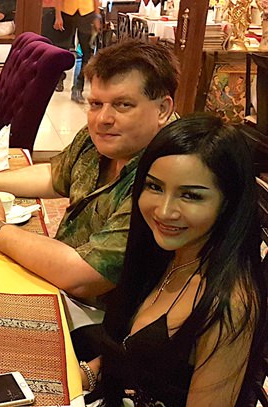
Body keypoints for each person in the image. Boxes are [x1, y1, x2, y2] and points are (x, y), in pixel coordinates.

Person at [0, 40, 178, 359]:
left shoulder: (164, 176)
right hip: (67, 289)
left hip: (109, 330)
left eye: (123, 105)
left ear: (163, 110)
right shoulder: (105, 139)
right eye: (96, 103)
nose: (103, 118)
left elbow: (83, 277)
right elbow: (56, 175)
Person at [80, 114, 267, 406]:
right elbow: (128, 350)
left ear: (228, 202)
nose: (164, 211)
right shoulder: (165, 251)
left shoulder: (228, 305)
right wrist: (78, 376)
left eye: (190, 195)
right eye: (155, 187)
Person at [58, 0, 101, 103]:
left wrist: (97, 16)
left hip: (87, 13)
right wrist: (58, 15)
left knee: (86, 53)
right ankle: (59, 78)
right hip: (67, 12)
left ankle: (78, 88)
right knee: (63, 49)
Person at [41, 0, 71, 92]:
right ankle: (49, 77)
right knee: (45, 46)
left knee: (60, 46)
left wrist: (58, 16)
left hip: (60, 10)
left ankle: (59, 78)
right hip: (42, 8)